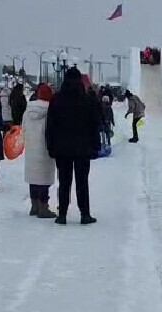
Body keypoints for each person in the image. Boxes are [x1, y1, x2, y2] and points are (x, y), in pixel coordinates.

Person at [46, 67, 101, 225]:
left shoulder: (57, 99)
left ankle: (62, 214)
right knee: (82, 181)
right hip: (83, 148)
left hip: (62, 149)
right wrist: (95, 145)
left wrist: (51, 146)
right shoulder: (87, 100)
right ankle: (85, 214)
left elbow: (50, 125)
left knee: (64, 181)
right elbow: (94, 124)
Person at [23, 84, 56, 218]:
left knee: (34, 178)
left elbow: (23, 128)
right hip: (44, 149)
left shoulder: (28, 111)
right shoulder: (50, 111)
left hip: (31, 148)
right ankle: (43, 207)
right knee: (44, 179)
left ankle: (34, 205)